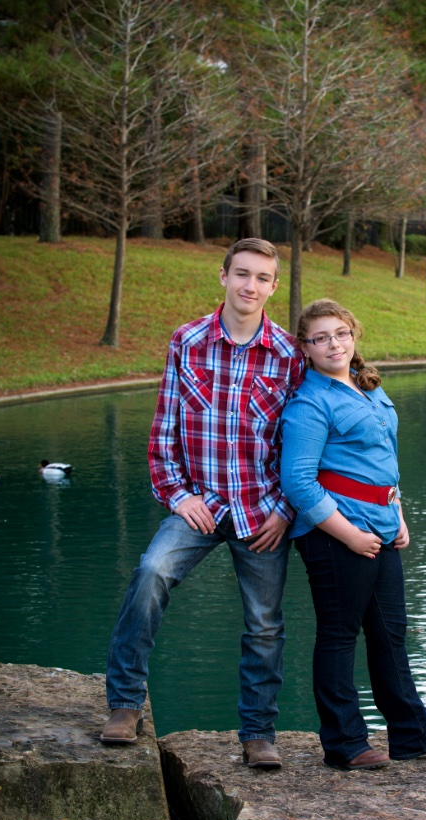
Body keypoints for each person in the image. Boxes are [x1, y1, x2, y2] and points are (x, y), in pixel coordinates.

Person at [101, 238, 305, 770]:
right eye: (242, 274)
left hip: (263, 510)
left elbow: (302, 445)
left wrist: (285, 509)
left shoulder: (289, 355)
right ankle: (125, 704)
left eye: (262, 278)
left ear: (274, 287)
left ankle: (258, 734)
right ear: (223, 276)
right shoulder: (187, 340)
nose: (250, 286)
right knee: (151, 572)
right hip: (200, 504)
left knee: (264, 623)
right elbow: (162, 433)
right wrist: (179, 495)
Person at [279, 299, 426, 770]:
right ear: (305, 347)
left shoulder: (367, 387)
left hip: (382, 524)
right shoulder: (309, 404)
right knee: (340, 635)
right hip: (335, 532)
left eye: (340, 333)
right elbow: (298, 482)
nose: (333, 344)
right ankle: (344, 744)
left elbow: (384, 459)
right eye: (320, 338)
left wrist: (397, 512)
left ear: (354, 335)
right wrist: (348, 535)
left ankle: (413, 734)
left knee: (390, 633)